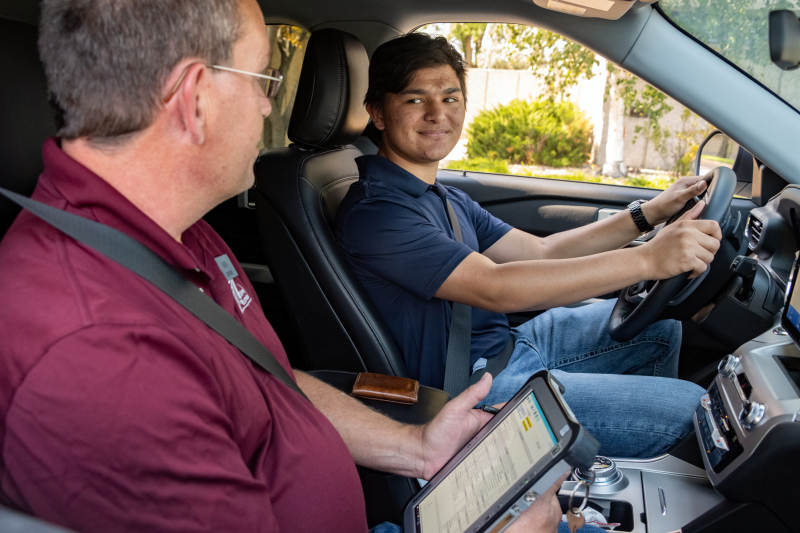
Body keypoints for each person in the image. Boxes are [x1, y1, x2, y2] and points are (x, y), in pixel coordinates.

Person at [0, 1, 599, 532]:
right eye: (265, 77)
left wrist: (417, 447)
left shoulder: (185, 232)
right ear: (194, 98)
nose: (268, 104)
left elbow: (269, 377)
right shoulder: (97, 357)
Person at [335, 33, 722, 458]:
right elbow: (496, 287)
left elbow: (543, 252)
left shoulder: (439, 194)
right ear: (378, 113)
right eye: (414, 100)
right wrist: (650, 258)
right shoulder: (378, 213)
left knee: (660, 330)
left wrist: (648, 213)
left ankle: (611, 463)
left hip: (508, 347)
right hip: (469, 389)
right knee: (695, 413)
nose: (437, 114)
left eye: (450, 98)